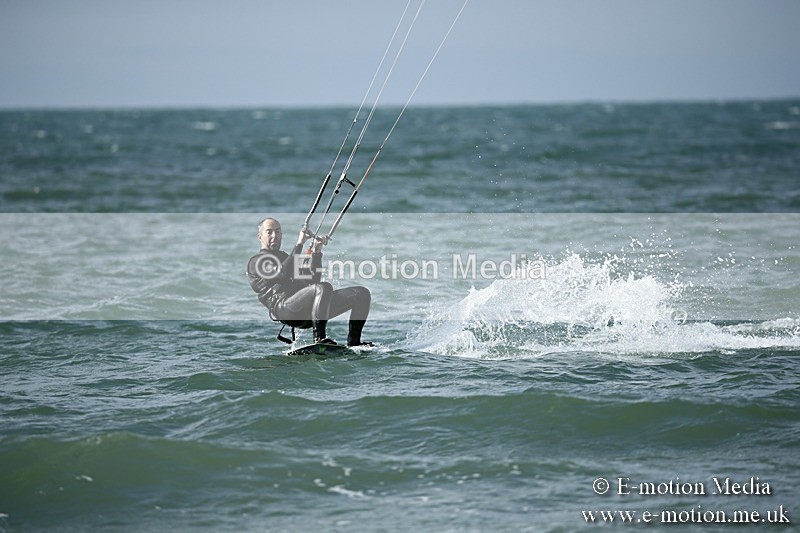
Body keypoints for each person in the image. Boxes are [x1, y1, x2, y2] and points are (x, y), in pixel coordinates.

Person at [247, 217, 372, 346]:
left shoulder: (285, 257)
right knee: (323, 287)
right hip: (286, 310)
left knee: (361, 294)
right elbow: (282, 272)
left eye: (278, 231)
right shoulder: (257, 261)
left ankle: (354, 343)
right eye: (269, 232)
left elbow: (311, 281)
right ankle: (319, 339)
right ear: (260, 236)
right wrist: (300, 243)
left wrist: (317, 253)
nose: (275, 235)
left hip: (308, 311)